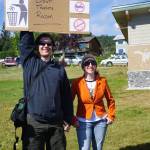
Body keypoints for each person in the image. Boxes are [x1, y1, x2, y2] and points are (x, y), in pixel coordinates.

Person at [19, 31, 73, 150]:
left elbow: (66, 97)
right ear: (37, 47)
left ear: (53, 47)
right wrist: (29, 24)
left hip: (56, 124)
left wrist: (68, 118)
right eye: (42, 43)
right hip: (34, 123)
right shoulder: (30, 64)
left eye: (49, 44)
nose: (45, 46)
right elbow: (25, 44)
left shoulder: (59, 69)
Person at [71, 54, 115, 150]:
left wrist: (111, 115)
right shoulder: (76, 82)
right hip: (83, 121)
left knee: (98, 148)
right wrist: (72, 119)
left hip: (101, 120)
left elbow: (110, 100)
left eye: (93, 63)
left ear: (96, 66)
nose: (90, 65)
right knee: (84, 148)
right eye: (87, 63)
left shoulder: (103, 81)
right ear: (83, 66)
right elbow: (69, 102)